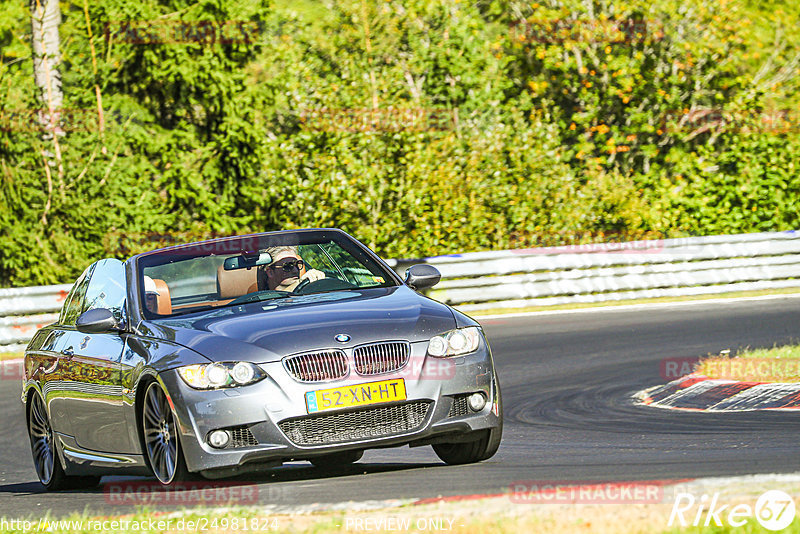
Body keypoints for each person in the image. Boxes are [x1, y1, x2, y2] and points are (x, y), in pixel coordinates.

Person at [258, 245, 325, 292]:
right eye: (287, 266)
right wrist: (299, 282)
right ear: (270, 272)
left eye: (297, 264)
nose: (296, 271)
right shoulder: (260, 303)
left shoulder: (309, 294)